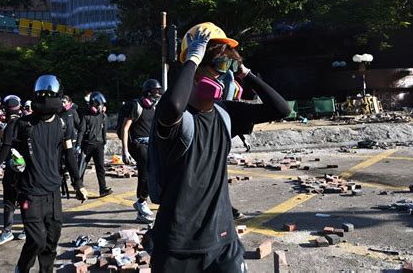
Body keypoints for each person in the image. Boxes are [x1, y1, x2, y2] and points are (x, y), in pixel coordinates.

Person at [148, 22, 291, 272]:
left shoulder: (226, 113)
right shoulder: (175, 118)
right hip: (176, 248)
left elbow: (281, 109)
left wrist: (244, 73)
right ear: (194, 68)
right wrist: (192, 58)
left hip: (223, 243)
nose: (225, 74)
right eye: (220, 65)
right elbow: (172, 106)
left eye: (230, 66)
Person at [0, 75, 87, 273]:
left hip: (53, 192)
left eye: (50, 96)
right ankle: (22, 268)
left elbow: (69, 154)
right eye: (41, 96)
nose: (46, 100)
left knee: (51, 241)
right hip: (30, 192)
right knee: (36, 240)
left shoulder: (63, 124)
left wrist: (78, 183)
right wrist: (4, 165)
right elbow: (7, 150)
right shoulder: (23, 125)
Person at [0, 95, 26, 245]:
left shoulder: (11, 126)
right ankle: (27, 228)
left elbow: (6, 149)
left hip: (12, 170)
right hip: (24, 170)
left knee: (9, 200)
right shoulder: (25, 123)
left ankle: (7, 231)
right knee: (23, 200)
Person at [121, 79, 162, 224]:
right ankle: (141, 201)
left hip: (149, 143)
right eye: (156, 91)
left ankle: (143, 205)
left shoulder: (153, 108)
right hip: (136, 144)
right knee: (145, 168)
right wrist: (125, 151)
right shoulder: (136, 106)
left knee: (157, 170)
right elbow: (125, 128)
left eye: (159, 91)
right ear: (148, 92)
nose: (158, 94)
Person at [75, 91, 112, 197]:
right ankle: (79, 189)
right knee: (81, 167)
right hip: (87, 145)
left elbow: (104, 130)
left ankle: (103, 189)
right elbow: (81, 131)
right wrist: (78, 145)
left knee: (100, 167)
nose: (102, 107)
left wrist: (104, 142)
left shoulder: (103, 116)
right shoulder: (86, 116)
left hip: (99, 145)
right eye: (101, 104)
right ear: (94, 104)